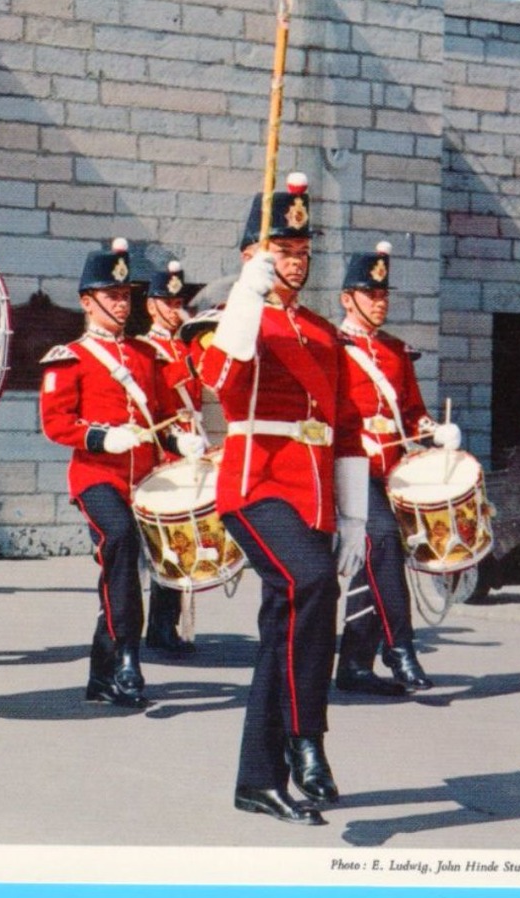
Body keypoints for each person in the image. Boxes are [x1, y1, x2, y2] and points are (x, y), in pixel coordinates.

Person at [185, 174, 367, 826]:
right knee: (310, 582)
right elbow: (221, 383)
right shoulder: (232, 317)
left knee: (284, 628)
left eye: (302, 248)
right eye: (283, 248)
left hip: (313, 494)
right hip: (256, 484)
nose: (296, 258)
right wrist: (244, 297)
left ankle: (257, 781)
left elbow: (347, 425)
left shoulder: (321, 331)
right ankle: (306, 738)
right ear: (252, 254)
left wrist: (352, 515)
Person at [40, 238, 187, 709]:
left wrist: (179, 441)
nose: (123, 304)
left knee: (123, 569)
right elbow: (56, 423)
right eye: (114, 295)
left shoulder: (146, 356)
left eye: (127, 296)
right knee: (120, 543)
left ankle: (102, 675)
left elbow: (161, 416)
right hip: (96, 479)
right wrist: (103, 437)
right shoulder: (70, 357)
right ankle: (128, 656)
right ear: (88, 302)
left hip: (143, 479)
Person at [333, 241, 459, 695]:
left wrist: (434, 430)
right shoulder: (332, 348)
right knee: (382, 538)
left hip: (392, 470)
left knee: (379, 557)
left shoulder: (395, 352)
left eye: (384, 295)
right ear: (349, 299)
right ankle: (399, 647)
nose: (380, 302)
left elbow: (413, 413)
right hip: (349, 470)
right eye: (371, 294)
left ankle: (353, 665)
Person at [140, 257, 207, 658]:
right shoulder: (147, 349)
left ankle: (169, 622)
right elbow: (148, 409)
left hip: (189, 440)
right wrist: (172, 442)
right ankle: (158, 625)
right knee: (164, 538)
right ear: (151, 306)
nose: (175, 307)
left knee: (182, 537)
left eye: (180, 300)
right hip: (161, 448)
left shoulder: (185, 347)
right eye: (168, 301)